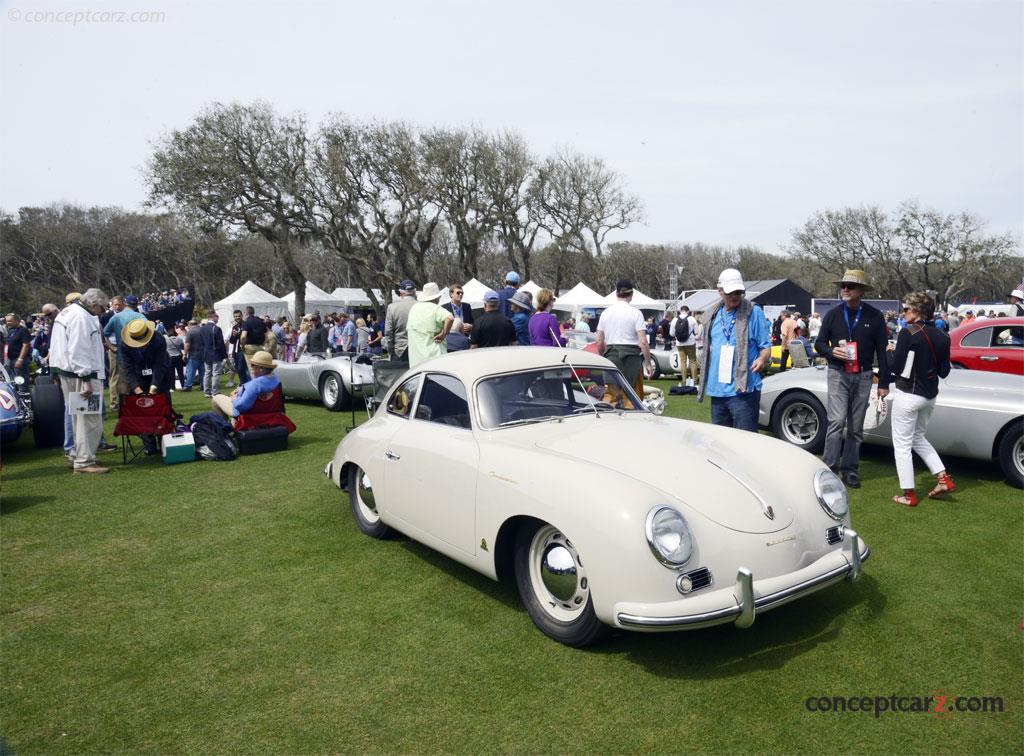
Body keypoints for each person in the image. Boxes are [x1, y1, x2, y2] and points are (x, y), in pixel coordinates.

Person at [813, 269, 891, 488]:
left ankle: (850, 469)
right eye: (843, 286)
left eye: (850, 286)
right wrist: (830, 352)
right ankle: (828, 469)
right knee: (836, 422)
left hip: (864, 375)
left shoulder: (874, 316)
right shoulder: (834, 314)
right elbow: (819, 343)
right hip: (837, 373)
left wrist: (883, 382)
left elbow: (883, 351)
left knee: (856, 427)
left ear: (861, 290)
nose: (845, 289)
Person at [889, 292, 954, 506]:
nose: (903, 312)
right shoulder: (944, 336)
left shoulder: (908, 333)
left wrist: (891, 351)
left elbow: (897, 367)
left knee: (902, 445)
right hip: (930, 397)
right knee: (918, 438)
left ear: (917, 311)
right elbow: (944, 372)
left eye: (906, 308)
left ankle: (908, 495)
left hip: (908, 394)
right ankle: (942, 478)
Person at [697, 269, 771, 432]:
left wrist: (762, 359)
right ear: (720, 292)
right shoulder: (712, 316)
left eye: (738, 292)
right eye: (731, 292)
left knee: (745, 441)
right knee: (721, 443)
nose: (735, 296)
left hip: (743, 390)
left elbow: (765, 346)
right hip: (717, 390)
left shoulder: (754, 312)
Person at [49, 288, 111, 474]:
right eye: (103, 308)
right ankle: (84, 461)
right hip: (82, 375)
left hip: (68, 372)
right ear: (93, 304)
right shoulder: (81, 318)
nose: (103, 311)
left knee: (77, 417)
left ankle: (79, 454)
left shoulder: (67, 313)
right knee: (89, 419)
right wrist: (86, 379)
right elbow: (79, 349)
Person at [119, 318, 173, 455]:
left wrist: (153, 387)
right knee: (142, 409)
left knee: (162, 406)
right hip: (138, 376)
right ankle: (149, 444)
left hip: (160, 375)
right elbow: (128, 369)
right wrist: (138, 390)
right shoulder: (125, 345)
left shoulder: (158, 340)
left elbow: (159, 365)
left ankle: (164, 441)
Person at [595, 279, 653, 404]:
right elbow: (643, 342)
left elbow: (599, 342)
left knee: (611, 398)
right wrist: (648, 363)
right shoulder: (636, 313)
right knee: (633, 400)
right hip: (631, 359)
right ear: (631, 295)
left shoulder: (605, 313)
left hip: (611, 357)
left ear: (616, 294)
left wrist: (603, 358)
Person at [211, 350, 280, 427]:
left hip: (248, 412)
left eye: (253, 364)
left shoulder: (255, 384)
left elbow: (241, 406)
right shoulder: (276, 380)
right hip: (267, 411)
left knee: (216, 399)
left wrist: (234, 399)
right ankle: (232, 424)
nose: (250, 366)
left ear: (261, 368)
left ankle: (225, 429)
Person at [102, 295, 146, 410]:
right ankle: (137, 402)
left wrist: (111, 346)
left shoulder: (116, 318)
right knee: (136, 378)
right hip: (138, 352)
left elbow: (104, 333)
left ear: (125, 304)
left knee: (121, 380)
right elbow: (150, 331)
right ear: (136, 305)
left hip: (121, 352)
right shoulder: (140, 316)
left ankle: (122, 404)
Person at [406, 282, 454, 367]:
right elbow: (450, 318)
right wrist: (444, 333)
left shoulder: (414, 308)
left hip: (415, 364)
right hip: (434, 361)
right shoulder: (435, 308)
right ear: (437, 297)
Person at [384, 279, 417, 364]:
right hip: (417, 348)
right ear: (414, 291)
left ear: (401, 292)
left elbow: (388, 331)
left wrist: (390, 350)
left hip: (399, 349)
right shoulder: (421, 306)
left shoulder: (392, 307)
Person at [201, 311, 227, 398]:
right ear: (213, 317)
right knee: (215, 373)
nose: (218, 319)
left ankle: (206, 391)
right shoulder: (216, 329)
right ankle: (214, 391)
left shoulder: (202, 328)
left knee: (207, 373)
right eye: (217, 317)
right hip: (215, 353)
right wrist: (224, 355)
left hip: (206, 353)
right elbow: (221, 343)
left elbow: (201, 342)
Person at [672, 306, 699, 387]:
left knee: (682, 361)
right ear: (688, 311)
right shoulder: (692, 319)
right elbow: (696, 332)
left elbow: (672, 333)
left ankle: (684, 381)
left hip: (679, 343)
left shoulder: (675, 319)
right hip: (690, 342)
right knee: (692, 361)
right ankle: (694, 380)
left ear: (680, 311)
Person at [4, 313, 31, 381]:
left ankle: (24, 391)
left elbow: (26, 345)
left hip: (19, 359)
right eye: (6, 321)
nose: (7, 323)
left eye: (10, 321)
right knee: (14, 380)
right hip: (11, 359)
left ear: (17, 321)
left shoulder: (23, 330)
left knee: (21, 380)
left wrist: (20, 359)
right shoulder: (11, 331)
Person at [239, 306, 267, 371]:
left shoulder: (246, 322)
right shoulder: (261, 321)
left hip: (250, 347)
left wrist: (242, 346)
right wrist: (263, 344)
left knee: (252, 369)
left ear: (246, 313)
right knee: (260, 368)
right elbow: (266, 336)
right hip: (260, 347)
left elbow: (243, 337)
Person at [181, 320, 205, 391]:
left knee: (191, 372)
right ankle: (203, 385)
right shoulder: (203, 330)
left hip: (193, 355)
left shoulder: (190, 332)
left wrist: (185, 354)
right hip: (203, 354)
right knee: (203, 372)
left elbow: (187, 344)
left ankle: (188, 386)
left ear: (189, 325)